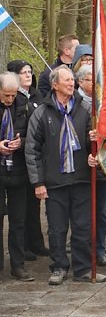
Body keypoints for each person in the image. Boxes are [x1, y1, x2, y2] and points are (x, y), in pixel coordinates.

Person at [25, 67, 103, 284]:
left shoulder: (85, 109)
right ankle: (59, 266)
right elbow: (32, 150)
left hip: (80, 178)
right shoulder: (42, 112)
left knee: (83, 226)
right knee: (57, 228)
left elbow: (93, 145)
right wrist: (38, 182)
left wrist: (92, 146)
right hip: (54, 181)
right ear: (55, 85)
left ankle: (83, 268)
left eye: (72, 80)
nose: (72, 83)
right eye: (67, 80)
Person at [7, 60, 47, 260]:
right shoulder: (14, 100)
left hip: (33, 155)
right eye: (23, 72)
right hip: (14, 161)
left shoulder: (37, 95)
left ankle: (36, 242)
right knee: (20, 209)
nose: (28, 75)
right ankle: (23, 247)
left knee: (33, 205)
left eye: (30, 72)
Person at [75, 64, 106, 267]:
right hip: (82, 169)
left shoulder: (104, 102)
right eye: (90, 79)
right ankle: (84, 251)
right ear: (80, 82)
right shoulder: (74, 104)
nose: (95, 83)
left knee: (102, 214)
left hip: (103, 168)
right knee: (83, 214)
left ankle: (100, 249)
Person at [0, 72, 34, 281]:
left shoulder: (24, 104)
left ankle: (18, 265)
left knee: (18, 220)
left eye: (12, 96)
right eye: (5, 95)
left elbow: (33, 133)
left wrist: (22, 143)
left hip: (19, 169)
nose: (9, 100)